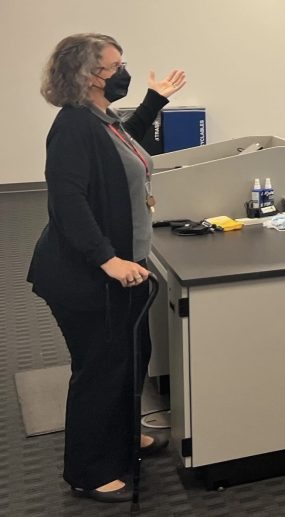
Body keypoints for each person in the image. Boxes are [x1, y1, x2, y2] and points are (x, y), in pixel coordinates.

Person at [27, 33, 186, 503]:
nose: (122, 74)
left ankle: (122, 436)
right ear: (86, 75)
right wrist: (107, 259)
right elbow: (67, 202)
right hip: (86, 276)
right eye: (113, 67)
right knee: (101, 369)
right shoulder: (73, 126)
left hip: (122, 266)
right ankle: (88, 471)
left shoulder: (102, 117)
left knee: (132, 357)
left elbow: (124, 146)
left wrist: (155, 100)